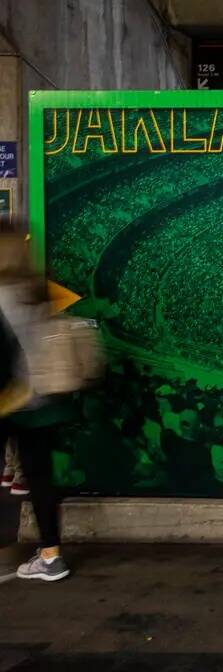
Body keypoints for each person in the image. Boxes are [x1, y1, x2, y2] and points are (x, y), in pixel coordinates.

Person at [0, 225, 75, 582]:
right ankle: (50, 557)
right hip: (42, 401)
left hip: (8, 402)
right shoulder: (38, 288)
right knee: (40, 480)